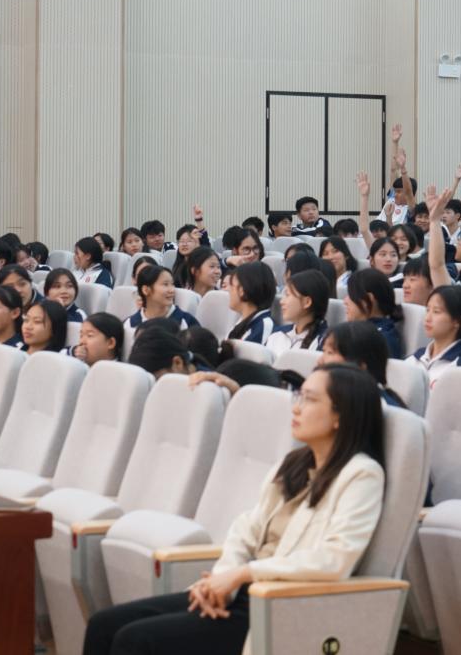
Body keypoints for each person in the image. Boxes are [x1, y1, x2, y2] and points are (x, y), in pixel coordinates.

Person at [83, 364, 385, 655]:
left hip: (280, 606)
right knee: (104, 625)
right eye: (299, 396)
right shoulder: (295, 463)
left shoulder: (361, 475)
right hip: (240, 593)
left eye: (310, 399)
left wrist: (243, 574)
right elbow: (246, 529)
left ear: (341, 416)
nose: (296, 408)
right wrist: (219, 584)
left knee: (137, 640)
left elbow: (334, 560)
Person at [319, 321, 406, 407]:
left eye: (330, 352)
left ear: (359, 367)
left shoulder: (374, 408)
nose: (320, 361)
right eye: (324, 351)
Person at [411, 284, 461, 387]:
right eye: (427, 310)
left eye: (436, 312)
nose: (427, 318)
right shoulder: (418, 356)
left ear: (457, 321)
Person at [343, 268, 405, 359]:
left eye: (350, 295)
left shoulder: (381, 340)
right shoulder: (361, 332)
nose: (345, 301)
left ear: (367, 299)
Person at [266, 270, 332, 354]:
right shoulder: (277, 334)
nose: (281, 301)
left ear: (307, 302)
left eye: (287, 295)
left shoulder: (325, 343)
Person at [126, 265, 200, 330]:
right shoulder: (130, 324)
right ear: (146, 290)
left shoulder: (187, 322)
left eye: (172, 284)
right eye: (165, 284)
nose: (172, 290)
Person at [225, 261, 278, 345]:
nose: (228, 290)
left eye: (231, 285)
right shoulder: (243, 320)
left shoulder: (264, 325)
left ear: (242, 290)